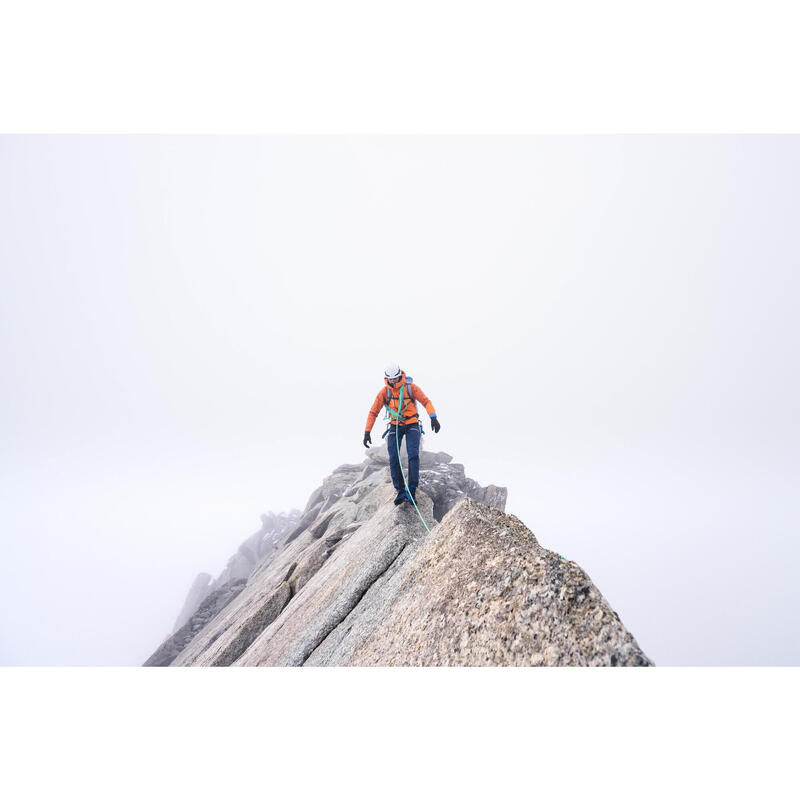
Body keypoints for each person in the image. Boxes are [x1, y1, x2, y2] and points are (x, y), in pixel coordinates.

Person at [363, 363, 441, 505]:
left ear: (400, 375)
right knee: (394, 457)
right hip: (395, 425)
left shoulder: (411, 388)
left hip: (412, 423)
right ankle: (400, 491)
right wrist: (367, 432)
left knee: (413, 455)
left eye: (396, 378)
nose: (393, 381)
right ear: (387, 378)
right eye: (390, 379)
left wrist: (433, 417)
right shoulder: (384, 392)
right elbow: (373, 411)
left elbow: (426, 401)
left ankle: (411, 490)